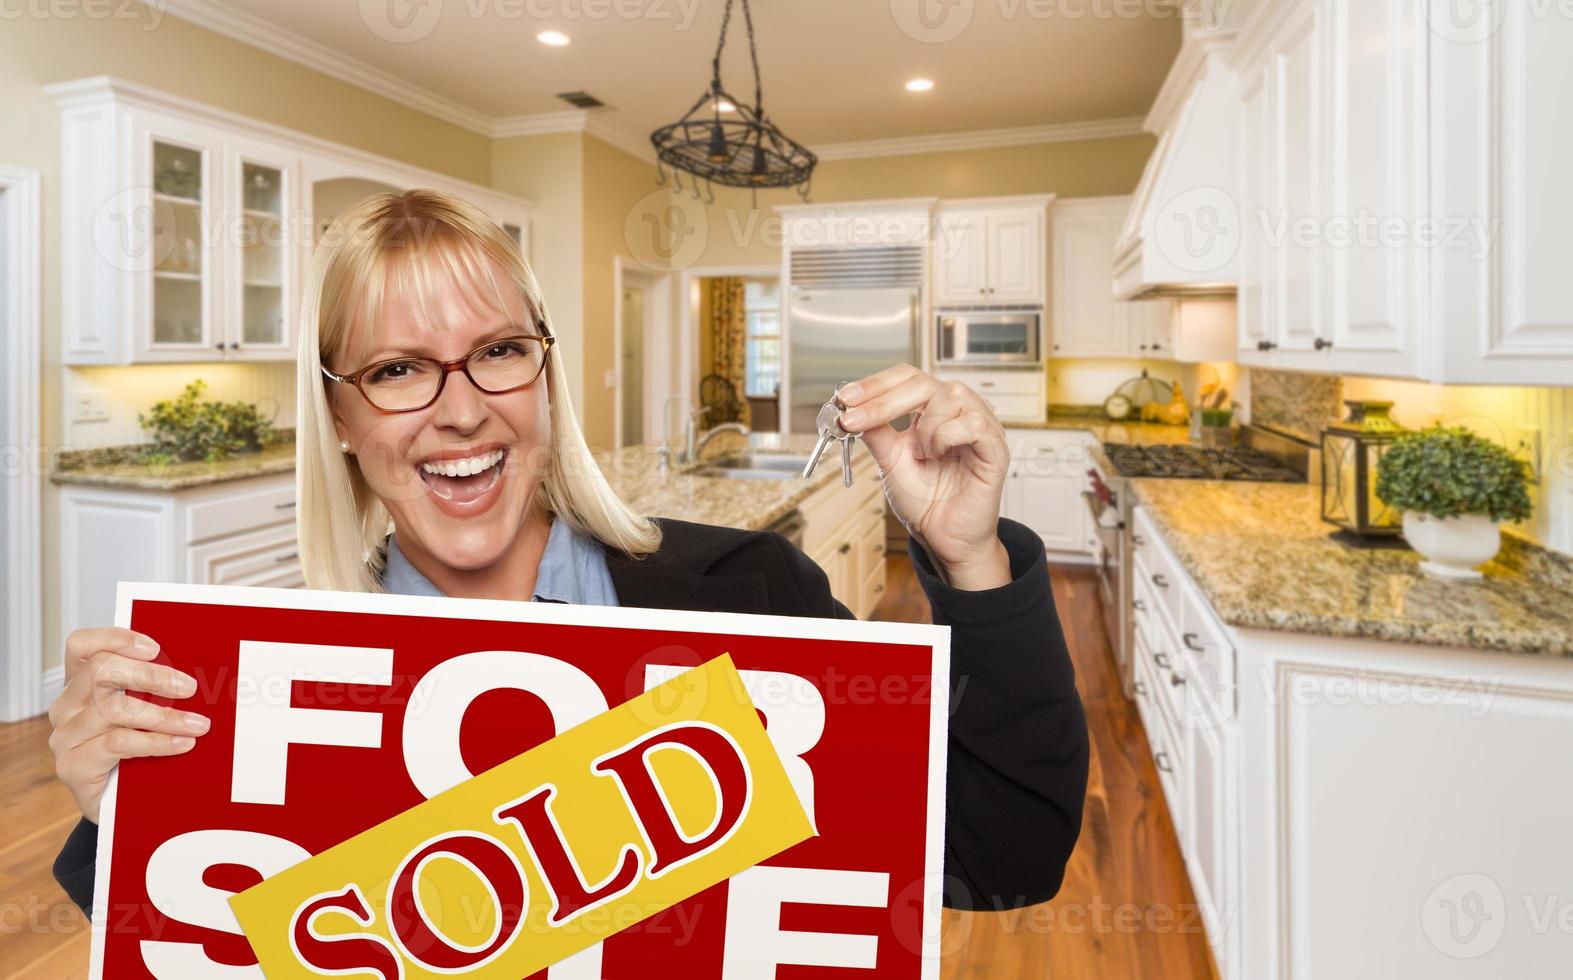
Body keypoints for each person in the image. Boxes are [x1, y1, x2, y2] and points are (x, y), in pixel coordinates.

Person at [48, 190, 1088, 916]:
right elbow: (217, 937)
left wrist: (970, 559)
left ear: (543, 373)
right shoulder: (270, 695)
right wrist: (127, 817)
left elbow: (1004, 849)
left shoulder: (750, 592)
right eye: (400, 367)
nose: (461, 411)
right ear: (341, 417)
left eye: (499, 350)